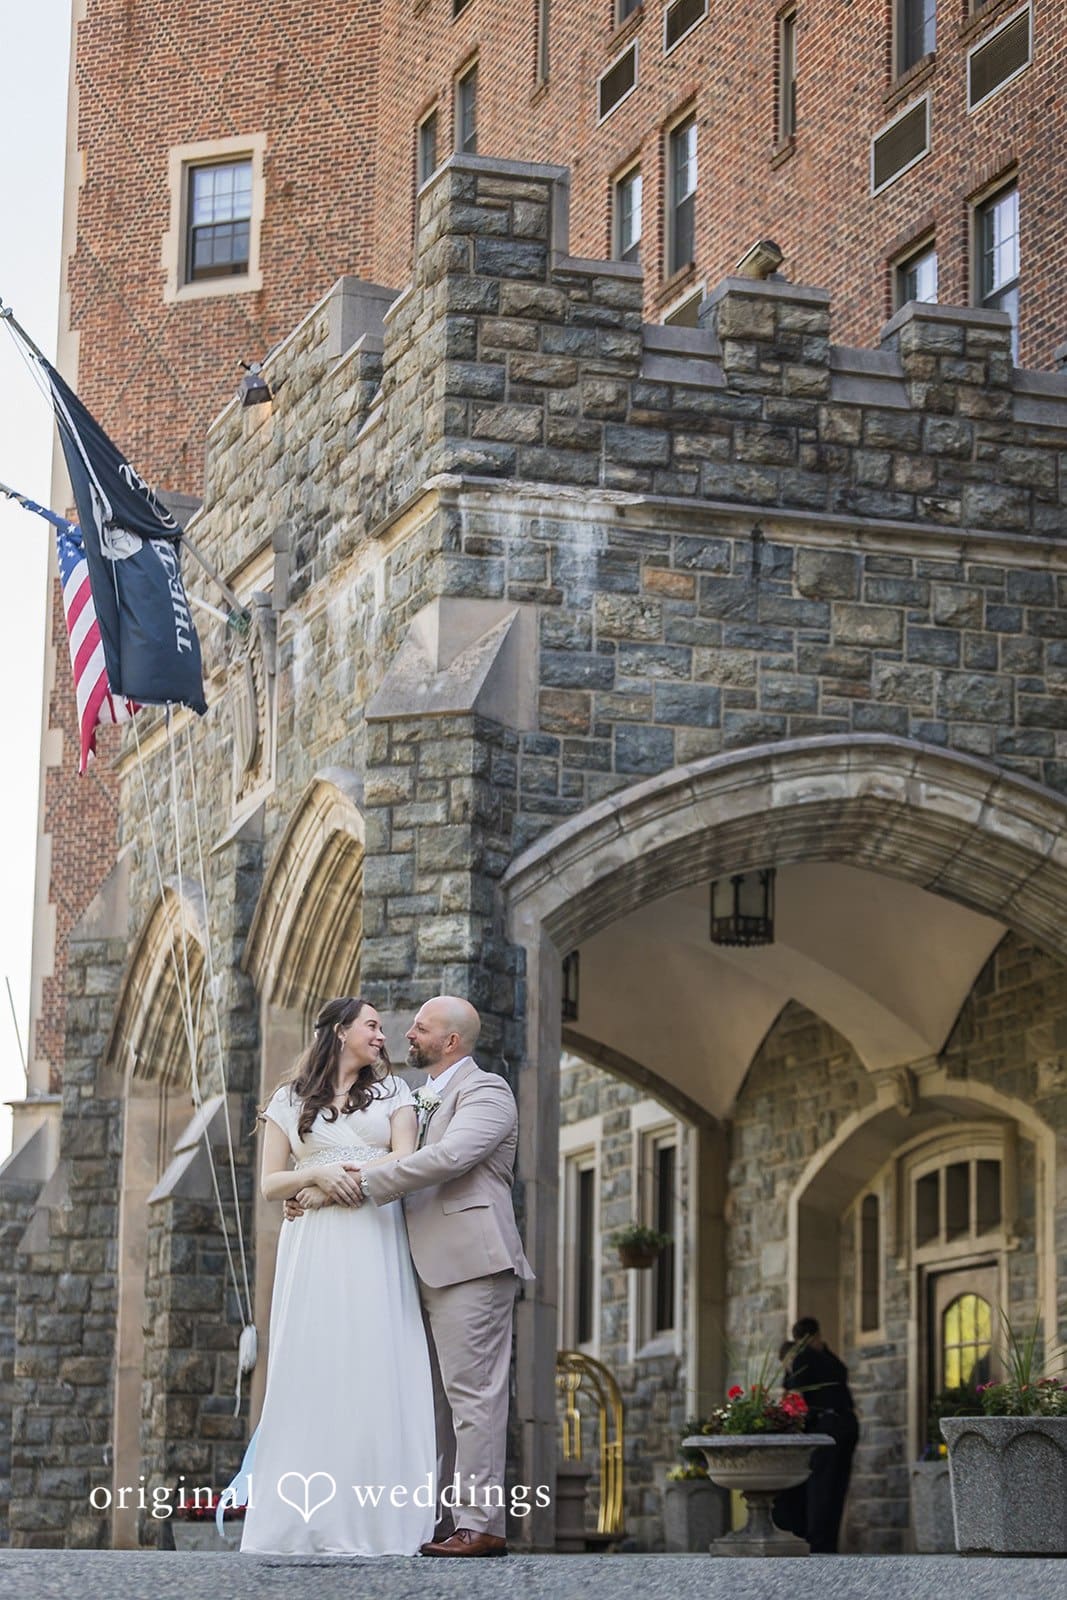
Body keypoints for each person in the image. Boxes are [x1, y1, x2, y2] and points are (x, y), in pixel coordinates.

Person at [287, 995, 533, 1557]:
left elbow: (447, 1159)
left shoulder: (487, 1092)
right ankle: (442, 1518)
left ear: (450, 1041)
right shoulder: (417, 1098)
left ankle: (482, 1523)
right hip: (412, 1263)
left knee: (474, 1396)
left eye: (420, 1028)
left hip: (470, 1262)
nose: (409, 1035)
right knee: (433, 1402)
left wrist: (345, 1186)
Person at [239, 995, 436, 1556]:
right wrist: (321, 1173)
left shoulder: (395, 1093)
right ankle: (305, 1519)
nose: (381, 1035)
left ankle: (379, 1521)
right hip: (312, 1252)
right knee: (315, 1364)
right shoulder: (288, 1099)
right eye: (372, 1026)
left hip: (373, 1239)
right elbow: (272, 1184)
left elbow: (403, 1159)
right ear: (341, 1031)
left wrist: (325, 1188)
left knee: (375, 1362)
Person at [781, 1315, 859, 1554]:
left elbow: (793, 1392)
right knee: (831, 1487)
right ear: (816, 1335)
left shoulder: (808, 1357)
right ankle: (824, 1542)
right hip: (840, 1423)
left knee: (824, 1487)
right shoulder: (822, 1358)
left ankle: (820, 1543)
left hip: (828, 1426)